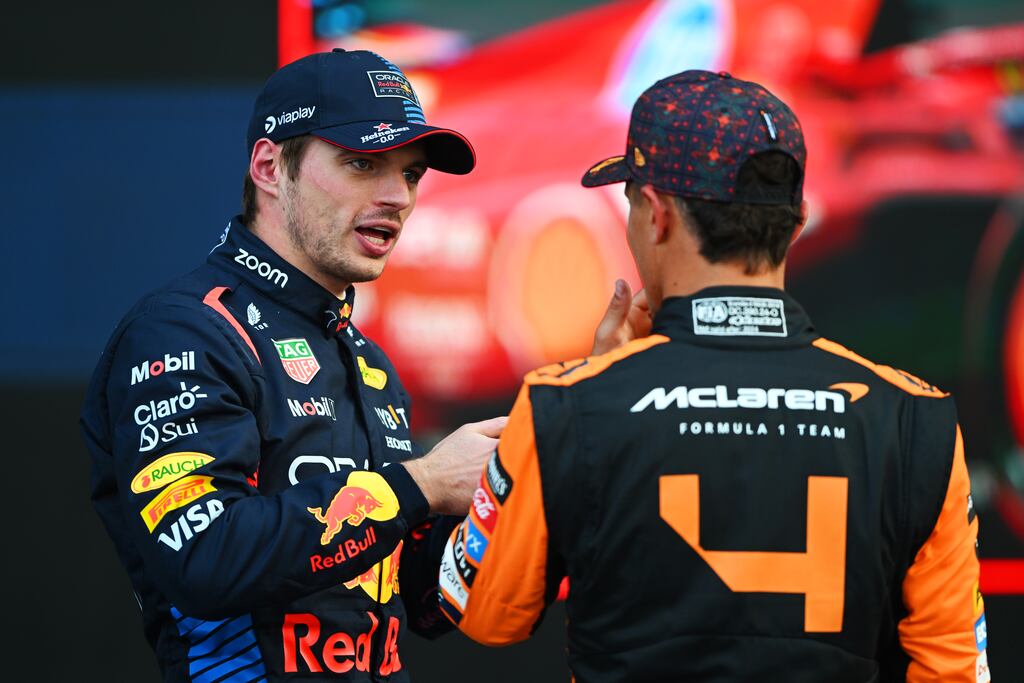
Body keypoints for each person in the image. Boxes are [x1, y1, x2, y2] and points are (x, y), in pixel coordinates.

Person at [438, 70, 989, 682]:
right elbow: (954, 669)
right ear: (798, 219)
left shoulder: (566, 406)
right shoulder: (916, 419)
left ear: (656, 214)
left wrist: (599, 384)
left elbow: (483, 615)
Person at [80, 49, 504, 682]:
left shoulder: (370, 363)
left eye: (411, 174)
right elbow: (203, 557)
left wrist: (523, 491)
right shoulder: (185, 330)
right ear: (271, 166)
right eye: (363, 163)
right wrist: (418, 485)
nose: (398, 197)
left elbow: (424, 602)